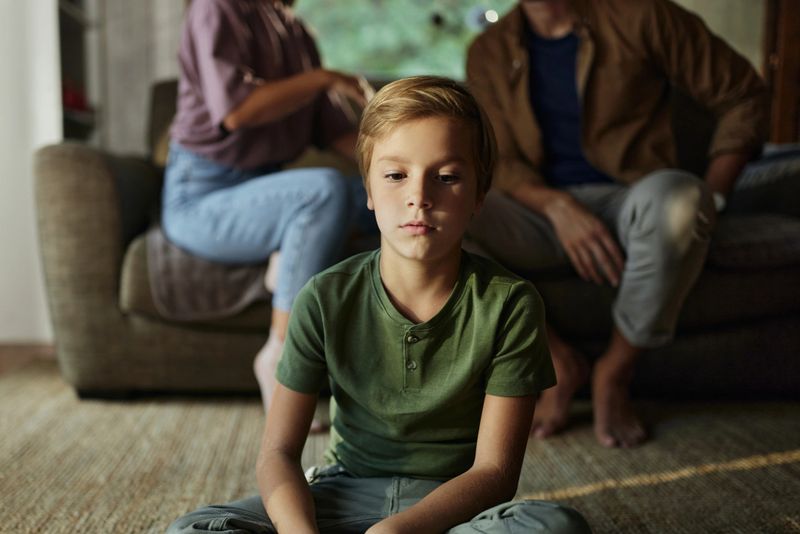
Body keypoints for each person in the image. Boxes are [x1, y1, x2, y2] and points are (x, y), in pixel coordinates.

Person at [166, 76, 591, 534]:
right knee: (195, 529)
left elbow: (494, 474)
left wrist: (395, 531)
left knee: (554, 526)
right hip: (339, 496)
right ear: (368, 190)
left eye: (447, 177)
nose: (418, 197)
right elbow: (277, 455)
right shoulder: (323, 297)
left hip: (449, 510)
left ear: (478, 195)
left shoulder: (511, 304)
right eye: (395, 176)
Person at [465, 0, 770, 448]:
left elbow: (743, 93)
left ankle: (614, 372)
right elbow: (499, 160)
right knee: (439, 214)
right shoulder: (488, 51)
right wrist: (557, 207)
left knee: (681, 201)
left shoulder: (642, 15)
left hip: (634, 197)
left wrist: (714, 196)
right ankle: (558, 363)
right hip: (536, 211)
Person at [162, 0, 374, 414]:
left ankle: (289, 244)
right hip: (202, 199)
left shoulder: (295, 30)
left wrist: (406, 166)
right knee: (323, 190)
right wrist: (325, 78)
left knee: (380, 200)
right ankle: (279, 356)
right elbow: (236, 111)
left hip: (268, 193)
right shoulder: (216, 7)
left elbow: (337, 134)